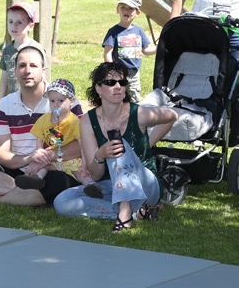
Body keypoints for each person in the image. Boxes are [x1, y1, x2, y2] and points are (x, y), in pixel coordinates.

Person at [0, 44, 83, 206]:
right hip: (16, 172)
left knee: (60, 182)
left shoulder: (64, 101)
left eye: (33, 65)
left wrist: (47, 157)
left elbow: (82, 144)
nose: (27, 71)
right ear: (14, 71)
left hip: (53, 169)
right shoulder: (6, 104)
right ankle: (27, 193)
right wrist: (30, 158)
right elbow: (0, 154)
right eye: (22, 66)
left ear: (43, 71)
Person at [54, 61, 178, 232]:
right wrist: (100, 155)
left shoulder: (138, 113)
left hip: (145, 187)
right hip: (111, 186)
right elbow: (95, 175)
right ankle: (137, 213)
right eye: (111, 82)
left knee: (119, 144)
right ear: (98, 88)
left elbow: (172, 116)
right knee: (62, 202)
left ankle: (125, 213)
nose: (118, 86)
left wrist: (147, 145)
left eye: (122, 82)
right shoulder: (89, 120)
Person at [19, 78, 102, 198]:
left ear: (71, 101)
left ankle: (91, 186)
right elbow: (39, 139)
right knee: (43, 167)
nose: (56, 104)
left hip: (71, 159)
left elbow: (82, 144)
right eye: (52, 101)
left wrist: (84, 164)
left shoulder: (74, 121)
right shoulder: (43, 120)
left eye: (61, 101)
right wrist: (39, 155)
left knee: (80, 172)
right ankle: (36, 179)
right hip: (52, 160)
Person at [102, 0, 156, 103]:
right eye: (123, 7)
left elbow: (146, 50)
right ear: (117, 10)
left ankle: (132, 113)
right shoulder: (113, 31)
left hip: (134, 74)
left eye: (130, 8)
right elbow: (107, 54)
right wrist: (112, 71)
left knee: (134, 98)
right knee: (117, 97)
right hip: (118, 73)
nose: (126, 11)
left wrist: (159, 48)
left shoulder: (139, 31)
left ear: (137, 12)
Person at [0, 1, 46, 100]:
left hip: (32, 100)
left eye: (19, 22)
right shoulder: (7, 50)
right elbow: (4, 79)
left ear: (30, 26)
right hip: (12, 101)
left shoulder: (37, 49)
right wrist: (0, 102)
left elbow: (42, 78)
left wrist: (44, 100)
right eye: (10, 21)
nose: (14, 26)